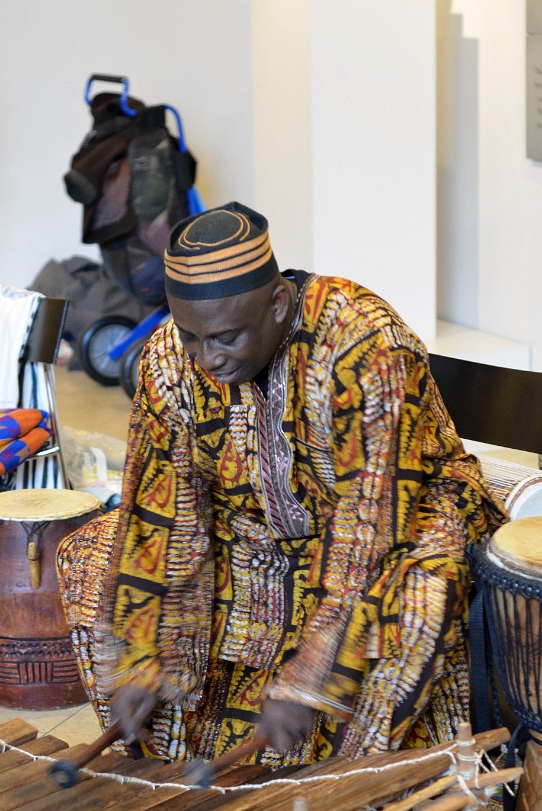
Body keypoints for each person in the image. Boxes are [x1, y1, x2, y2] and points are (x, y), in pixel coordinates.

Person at [57, 201, 506, 768]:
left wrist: (311, 677)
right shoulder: (170, 359)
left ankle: (348, 795)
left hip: (401, 514)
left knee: (412, 599)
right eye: (191, 337)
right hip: (257, 527)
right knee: (92, 554)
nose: (206, 358)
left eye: (225, 338)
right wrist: (141, 654)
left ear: (276, 303)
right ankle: (167, 773)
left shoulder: (363, 344)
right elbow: (156, 508)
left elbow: (370, 523)